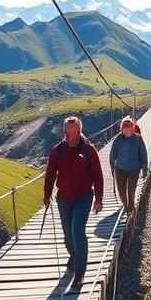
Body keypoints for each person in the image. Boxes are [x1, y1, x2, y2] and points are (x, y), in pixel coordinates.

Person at [43, 115, 103, 288]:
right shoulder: (57, 150)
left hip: (84, 196)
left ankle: (80, 272)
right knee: (68, 234)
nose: (69, 132)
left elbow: (98, 176)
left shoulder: (89, 150)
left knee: (77, 231)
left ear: (79, 131)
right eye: (67, 129)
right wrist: (47, 194)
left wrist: (98, 199)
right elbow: (50, 173)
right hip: (63, 198)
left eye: (72, 129)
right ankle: (74, 255)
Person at [109, 115, 148, 216]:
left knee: (131, 190)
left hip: (134, 169)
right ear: (122, 129)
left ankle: (131, 209)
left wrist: (144, 169)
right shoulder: (117, 140)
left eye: (129, 129)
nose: (126, 132)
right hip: (120, 169)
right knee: (122, 193)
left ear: (132, 128)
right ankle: (126, 206)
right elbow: (112, 155)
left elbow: (143, 154)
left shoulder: (138, 139)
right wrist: (112, 169)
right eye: (124, 130)